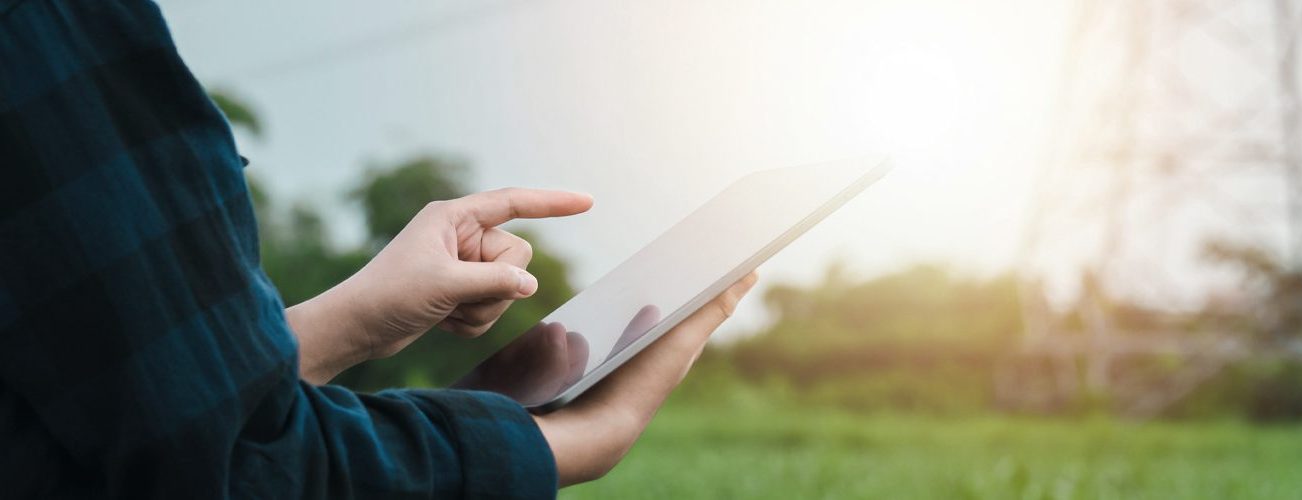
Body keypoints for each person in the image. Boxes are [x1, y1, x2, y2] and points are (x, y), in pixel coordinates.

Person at [0, 1, 751, 496]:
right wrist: (576, 441)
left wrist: (353, 321)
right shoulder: (40, 30)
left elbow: (75, 427)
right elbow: (233, 472)